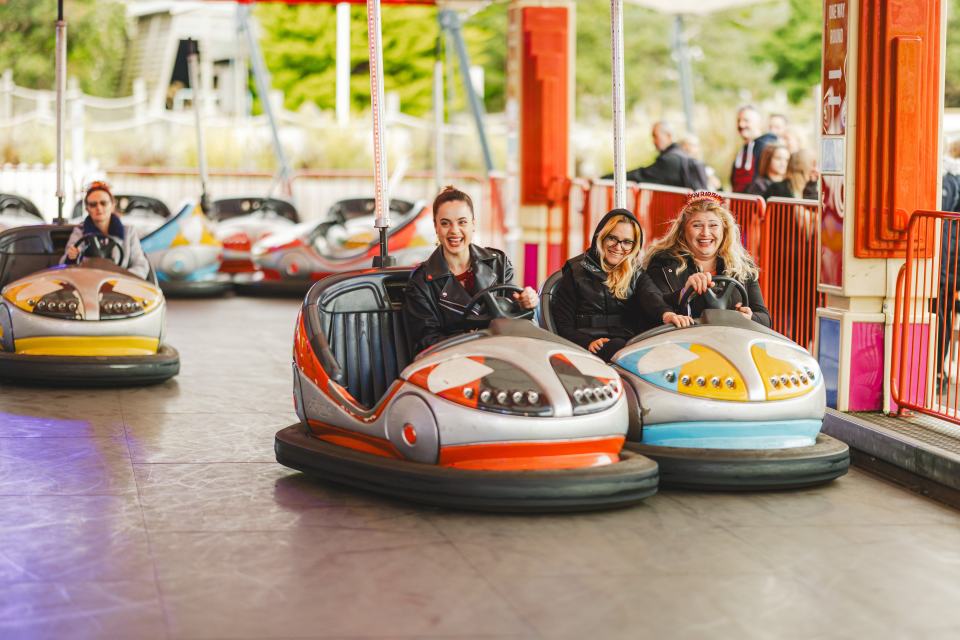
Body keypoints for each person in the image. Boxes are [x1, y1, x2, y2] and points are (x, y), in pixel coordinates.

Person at [403, 186, 538, 354]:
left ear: (473, 224)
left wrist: (527, 302)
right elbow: (426, 341)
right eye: (445, 223)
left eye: (462, 222)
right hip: (453, 362)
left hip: (502, 356)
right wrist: (476, 345)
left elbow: (514, 315)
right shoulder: (421, 282)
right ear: (436, 227)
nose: (454, 230)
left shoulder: (499, 263)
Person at [552, 208, 692, 362]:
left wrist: (667, 314)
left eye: (626, 242)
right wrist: (588, 343)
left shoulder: (636, 273)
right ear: (601, 238)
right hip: (586, 349)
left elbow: (651, 296)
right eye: (612, 238)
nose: (618, 247)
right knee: (619, 347)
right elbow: (562, 325)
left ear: (634, 246)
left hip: (628, 345)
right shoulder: (575, 271)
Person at [644, 191, 771, 327]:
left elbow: (765, 319)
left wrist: (749, 317)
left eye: (713, 225)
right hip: (681, 342)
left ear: (724, 230)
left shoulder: (742, 265)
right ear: (683, 231)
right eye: (697, 225)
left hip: (730, 341)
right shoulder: (664, 262)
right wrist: (682, 293)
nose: (705, 233)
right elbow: (653, 308)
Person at [62, 181, 151, 279]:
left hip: (121, 288)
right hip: (88, 285)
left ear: (112, 205)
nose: (99, 208)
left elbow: (140, 265)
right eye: (93, 204)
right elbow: (63, 264)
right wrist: (71, 257)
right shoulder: (79, 232)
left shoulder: (128, 232)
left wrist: (121, 279)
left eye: (103, 203)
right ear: (87, 209)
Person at [606, 121, 707, 190]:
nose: (653, 141)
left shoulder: (669, 160)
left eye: (655, 136)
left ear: (668, 136)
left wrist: (606, 178)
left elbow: (640, 175)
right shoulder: (682, 156)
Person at [730, 105, 778, 193]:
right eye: (739, 121)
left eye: (746, 120)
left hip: (758, 204)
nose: (741, 124)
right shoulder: (743, 150)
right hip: (739, 204)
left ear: (759, 123)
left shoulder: (766, 148)